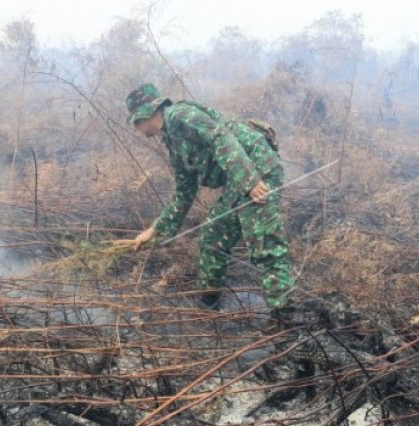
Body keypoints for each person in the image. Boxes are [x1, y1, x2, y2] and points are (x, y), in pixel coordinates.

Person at [126, 83, 296, 312]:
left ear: (144, 116)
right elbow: (184, 191)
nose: (136, 127)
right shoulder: (173, 142)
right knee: (212, 235)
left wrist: (251, 181)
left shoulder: (180, 115)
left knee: (265, 244)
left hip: (258, 170)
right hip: (240, 181)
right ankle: (209, 304)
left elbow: (220, 137)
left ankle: (286, 317)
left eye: (135, 121)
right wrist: (154, 230)